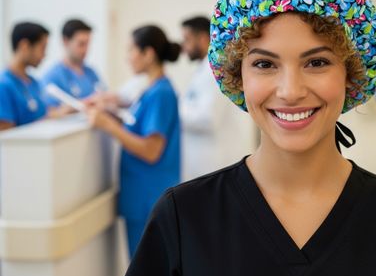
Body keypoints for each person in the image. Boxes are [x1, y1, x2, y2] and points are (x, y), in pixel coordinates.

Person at [124, 0, 376, 276]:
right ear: (237, 76)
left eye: (316, 62)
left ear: (352, 74)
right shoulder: (184, 217)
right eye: (265, 65)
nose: (290, 91)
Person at [88, 25, 181, 257]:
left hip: (148, 197)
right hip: (142, 196)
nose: (128, 57)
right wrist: (113, 112)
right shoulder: (150, 91)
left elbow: (151, 150)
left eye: (131, 50)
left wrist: (108, 126)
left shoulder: (160, 93)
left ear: (148, 54)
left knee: (148, 269)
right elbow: (139, 125)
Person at [179, 16, 254, 180]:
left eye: (187, 39)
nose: (183, 47)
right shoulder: (202, 70)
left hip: (217, 163)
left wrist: (173, 112)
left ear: (203, 38)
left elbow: (207, 118)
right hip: (207, 165)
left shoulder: (213, 71)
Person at [0, 22, 70, 131]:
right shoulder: (4, 85)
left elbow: (42, 116)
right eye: (42, 48)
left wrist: (68, 110)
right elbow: (5, 135)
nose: (45, 54)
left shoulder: (34, 83)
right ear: (24, 46)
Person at [42, 18, 102, 106]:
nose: (85, 49)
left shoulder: (91, 73)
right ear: (65, 41)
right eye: (81, 44)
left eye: (88, 44)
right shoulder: (52, 77)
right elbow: (49, 113)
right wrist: (79, 105)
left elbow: (103, 95)